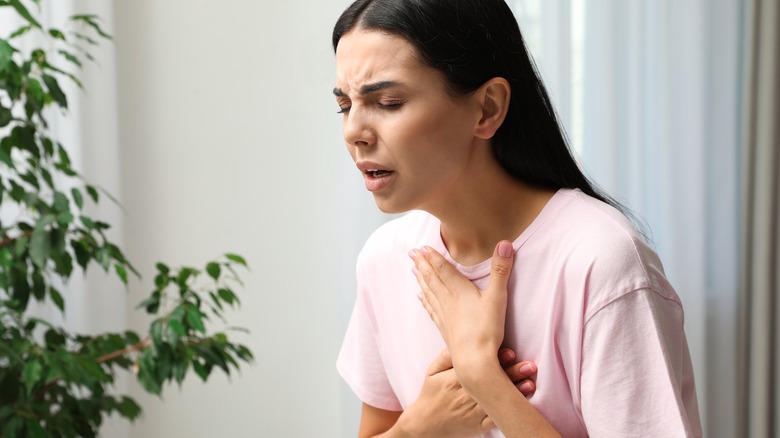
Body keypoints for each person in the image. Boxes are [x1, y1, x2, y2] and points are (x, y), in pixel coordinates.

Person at [332, 0, 703, 436]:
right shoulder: (384, 260)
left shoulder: (600, 262)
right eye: (344, 106)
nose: (354, 131)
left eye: (389, 102)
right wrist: (418, 428)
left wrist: (482, 377)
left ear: (487, 108)